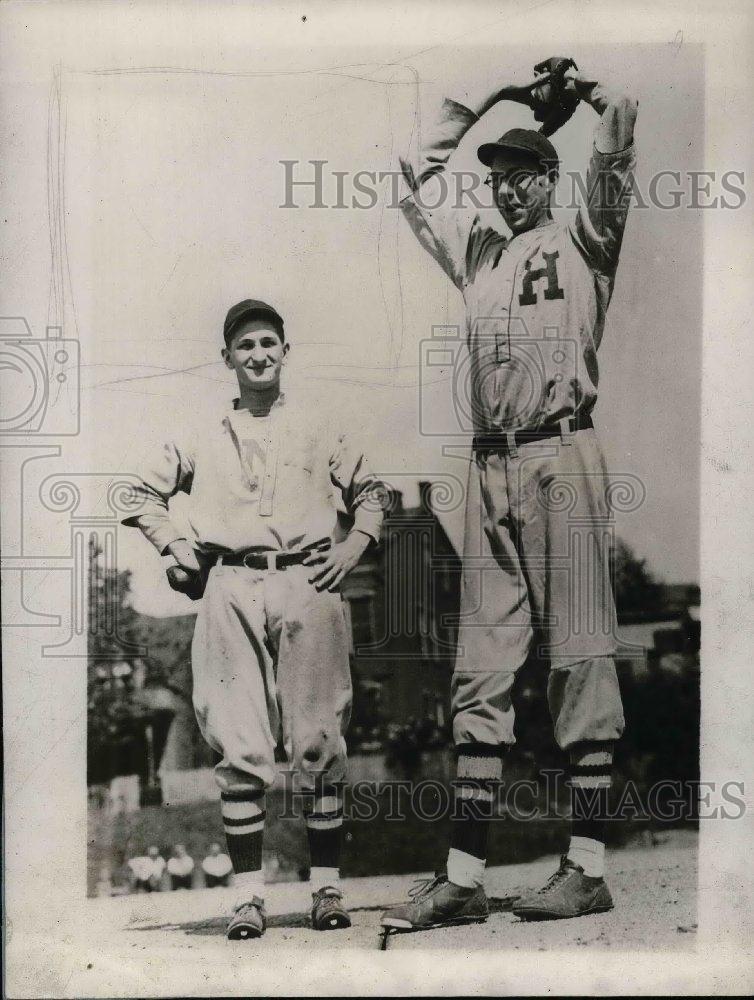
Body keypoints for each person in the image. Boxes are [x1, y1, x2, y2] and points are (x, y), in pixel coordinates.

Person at [381, 59, 638, 932]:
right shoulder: (479, 252)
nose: (504, 190)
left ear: (549, 177)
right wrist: (489, 96)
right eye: (495, 177)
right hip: (488, 467)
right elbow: (412, 181)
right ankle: (462, 877)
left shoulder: (586, 237)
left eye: (520, 174)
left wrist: (591, 94)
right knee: (478, 673)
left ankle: (589, 867)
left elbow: (617, 145)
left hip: (561, 454)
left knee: (580, 658)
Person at [124, 298, 383, 940]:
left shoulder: (320, 423)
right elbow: (134, 492)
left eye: (269, 342)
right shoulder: (203, 431)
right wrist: (176, 548)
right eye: (245, 346)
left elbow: (371, 491)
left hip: (307, 576)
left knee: (319, 737)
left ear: (285, 352)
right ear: (228, 358)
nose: (259, 355)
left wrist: (355, 546)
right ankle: (247, 897)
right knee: (238, 740)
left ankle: (326, 889)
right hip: (231, 582)